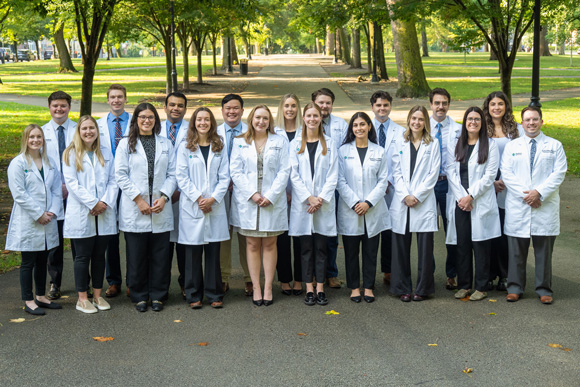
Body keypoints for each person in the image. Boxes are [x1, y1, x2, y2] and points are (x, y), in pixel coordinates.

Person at [501, 107, 567, 304]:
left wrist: (539, 193)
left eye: (535, 119)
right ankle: (514, 287)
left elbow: (559, 173)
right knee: (516, 251)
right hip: (519, 204)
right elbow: (507, 173)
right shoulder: (512, 146)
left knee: (544, 250)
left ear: (541, 121)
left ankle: (544, 289)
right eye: (527, 120)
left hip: (543, 204)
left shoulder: (555, 145)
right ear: (522, 123)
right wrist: (528, 195)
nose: (531, 123)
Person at [115, 103, 177, 312]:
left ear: (156, 121)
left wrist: (165, 197)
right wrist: (138, 200)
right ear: (136, 120)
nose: (147, 121)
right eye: (142, 117)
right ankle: (140, 296)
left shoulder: (166, 144)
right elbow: (120, 175)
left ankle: (159, 295)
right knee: (136, 256)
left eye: (151, 117)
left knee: (161, 256)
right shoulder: (125, 145)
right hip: (136, 208)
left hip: (160, 206)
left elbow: (173, 174)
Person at [229, 105, 290, 306]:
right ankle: (256, 287)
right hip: (249, 201)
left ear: (269, 121)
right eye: (257, 118)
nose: (261, 121)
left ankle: (268, 287)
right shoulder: (240, 142)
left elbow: (284, 170)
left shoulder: (280, 141)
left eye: (265, 118)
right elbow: (235, 171)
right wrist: (253, 194)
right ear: (251, 119)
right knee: (252, 244)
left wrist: (270, 195)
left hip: (272, 200)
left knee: (270, 244)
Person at [63, 115, 118, 313]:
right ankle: (82, 299)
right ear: (79, 131)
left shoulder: (105, 152)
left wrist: (104, 202)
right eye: (84, 128)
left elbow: (114, 180)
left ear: (97, 131)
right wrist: (93, 202)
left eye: (92, 128)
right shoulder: (70, 153)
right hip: (82, 212)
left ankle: (97, 295)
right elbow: (73, 184)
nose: (88, 132)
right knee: (82, 257)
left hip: (103, 212)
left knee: (99, 257)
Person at [6, 125, 63, 315]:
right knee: (28, 262)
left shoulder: (50, 162)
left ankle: (41, 296)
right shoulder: (18, 163)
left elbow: (56, 190)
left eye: (39, 137)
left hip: (48, 219)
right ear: (25, 139)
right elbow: (19, 194)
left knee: (43, 260)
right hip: (29, 220)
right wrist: (39, 214)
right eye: (32, 137)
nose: (35, 140)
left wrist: (52, 212)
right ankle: (28, 300)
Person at [176, 107, 229, 309]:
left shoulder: (219, 146)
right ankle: (193, 294)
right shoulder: (185, 147)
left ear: (212, 123)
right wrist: (199, 198)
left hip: (214, 206)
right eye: (199, 119)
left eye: (207, 119)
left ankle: (214, 294)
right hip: (193, 205)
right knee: (192, 254)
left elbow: (225, 177)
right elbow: (181, 176)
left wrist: (213, 199)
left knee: (213, 253)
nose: (203, 123)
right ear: (194, 123)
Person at [446, 107, 500, 301]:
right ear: (465, 121)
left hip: (480, 201)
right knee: (462, 244)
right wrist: (463, 197)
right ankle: (464, 285)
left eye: (477, 119)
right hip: (461, 202)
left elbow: (490, 175)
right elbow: (451, 172)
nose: (473, 122)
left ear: (482, 123)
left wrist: (471, 196)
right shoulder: (457, 144)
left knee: (481, 245)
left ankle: (481, 286)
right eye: (470, 119)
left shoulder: (490, 145)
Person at [337, 112, 389, 303]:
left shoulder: (379, 151)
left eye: (362, 124)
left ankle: (368, 286)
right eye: (355, 125)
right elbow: (339, 180)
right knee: (351, 253)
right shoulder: (342, 151)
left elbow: (383, 181)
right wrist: (355, 203)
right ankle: (354, 287)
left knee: (370, 251)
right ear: (352, 129)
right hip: (350, 209)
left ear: (369, 126)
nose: (359, 128)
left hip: (372, 209)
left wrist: (368, 202)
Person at [390, 106, 440, 302]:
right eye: (414, 118)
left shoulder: (432, 144)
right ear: (409, 120)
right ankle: (402, 287)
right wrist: (405, 195)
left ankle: (422, 288)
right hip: (402, 200)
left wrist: (417, 195)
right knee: (400, 247)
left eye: (420, 119)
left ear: (425, 122)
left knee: (425, 249)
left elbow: (433, 173)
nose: (417, 122)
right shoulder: (399, 142)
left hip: (423, 201)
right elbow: (396, 172)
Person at [289, 102, 337, 306]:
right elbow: (293, 174)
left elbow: (334, 175)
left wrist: (320, 199)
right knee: (306, 248)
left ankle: (320, 288)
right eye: (308, 115)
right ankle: (309, 287)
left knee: (321, 248)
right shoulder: (295, 145)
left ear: (320, 118)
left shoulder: (330, 143)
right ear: (304, 118)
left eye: (315, 116)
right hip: (304, 205)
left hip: (323, 204)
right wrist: (308, 197)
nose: (312, 119)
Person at [482, 91, 523, 292]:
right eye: (493, 104)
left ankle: (506, 275)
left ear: (506, 106)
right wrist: (491, 182)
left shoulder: (517, 130)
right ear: (487, 107)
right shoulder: (482, 128)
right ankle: (488, 274)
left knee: (506, 233)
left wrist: (506, 180)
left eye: (500, 104)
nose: (496, 108)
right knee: (489, 232)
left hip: (510, 186)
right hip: (488, 186)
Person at [96, 84, 131, 298]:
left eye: (120, 97)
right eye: (113, 97)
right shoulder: (98, 124)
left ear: (125, 99)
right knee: (111, 236)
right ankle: (114, 281)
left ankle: (133, 280)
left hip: (130, 184)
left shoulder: (136, 122)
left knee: (133, 236)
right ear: (107, 100)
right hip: (108, 182)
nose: (116, 100)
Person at [216, 94, 253, 296]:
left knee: (246, 234)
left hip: (245, 190)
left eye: (236, 108)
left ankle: (249, 278)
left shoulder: (251, 131)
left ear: (242, 110)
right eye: (228, 108)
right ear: (222, 111)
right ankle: (223, 277)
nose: (232, 111)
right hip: (221, 190)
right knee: (223, 235)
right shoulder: (215, 131)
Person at [41, 91, 77, 300]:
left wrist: (69, 186)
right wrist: (58, 187)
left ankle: (84, 282)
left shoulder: (78, 130)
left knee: (79, 241)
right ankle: (55, 282)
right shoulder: (42, 132)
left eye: (63, 106)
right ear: (50, 107)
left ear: (69, 107)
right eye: (55, 106)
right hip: (53, 193)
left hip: (75, 193)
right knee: (54, 241)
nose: (59, 109)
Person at [312, 87, 348, 289]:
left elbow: (342, 156)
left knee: (331, 233)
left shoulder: (340, 125)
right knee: (310, 234)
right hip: (310, 189)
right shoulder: (307, 123)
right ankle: (313, 274)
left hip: (333, 186)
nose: (324, 106)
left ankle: (331, 273)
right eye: (320, 102)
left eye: (328, 103)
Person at [369, 90, 405, 287]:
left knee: (391, 230)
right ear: (372, 107)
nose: (382, 109)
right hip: (371, 187)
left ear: (390, 106)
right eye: (378, 105)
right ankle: (369, 273)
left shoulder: (400, 131)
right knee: (372, 230)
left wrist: (388, 181)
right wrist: (378, 184)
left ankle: (389, 270)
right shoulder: (365, 128)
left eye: (385, 105)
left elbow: (400, 159)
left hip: (393, 186)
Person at [429, 88, 461, 290]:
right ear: (430, 104)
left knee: (453, 229)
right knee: (427, 231)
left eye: (444, 103)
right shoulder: (422, 127)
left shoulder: (458, 129)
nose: (441, 107)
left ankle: (452, 274)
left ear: (449, 104)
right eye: (437, 103)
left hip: (450, 183)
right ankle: (428, 272)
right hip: (429, 185)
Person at [160, 92, 189, 300]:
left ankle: (186, 284)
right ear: (165, 107)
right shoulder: (155, 128)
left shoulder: (192, 129)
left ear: (185, 109)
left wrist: (180, 189)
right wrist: (166, 192)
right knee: (163, 247)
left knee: (185, 246)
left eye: (180, 105)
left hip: (185, 194)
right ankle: (162, 286)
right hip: (159, 195)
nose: (175, 108)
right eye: (172, 105)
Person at [274, 93, 303, 295]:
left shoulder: (306, 131)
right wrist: (282, 191)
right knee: (281, 238)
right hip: (280, 193)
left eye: (293, 106)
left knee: (301, 237)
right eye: (287, 106)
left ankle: (300, 279)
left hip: (303, 194)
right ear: (281, 109)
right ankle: (284, 279)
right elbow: (274, 166)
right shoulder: (274, 132)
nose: (290, 109)